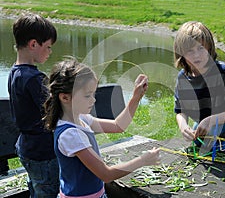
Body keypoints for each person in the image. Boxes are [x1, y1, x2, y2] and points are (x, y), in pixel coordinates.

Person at [43, 58, 160, 198]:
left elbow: (118, 126)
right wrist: (143, 160)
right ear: (65, 98)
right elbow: (106, 175)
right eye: (87, 95)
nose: (93, 100)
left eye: (93, 94)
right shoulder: (71, 135)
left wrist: (136, 97)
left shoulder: (81, 118)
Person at [173, 21, 225, 164]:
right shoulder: (183, 79)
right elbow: (180, 111)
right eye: (190, 51)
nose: (196, 55)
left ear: (209, 47)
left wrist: (212, 120)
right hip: (202, 136)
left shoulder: (224, 73)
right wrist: (183, 125)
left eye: (201, 48)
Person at [7, 14, 59, 197]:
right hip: (43, 151)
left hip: (27, 147)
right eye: (48, 47)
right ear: (34, 44)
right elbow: (55, 111)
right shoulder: (35, 79)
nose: (50, 52)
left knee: (37, 188)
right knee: (48, 191)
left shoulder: (14, 73)